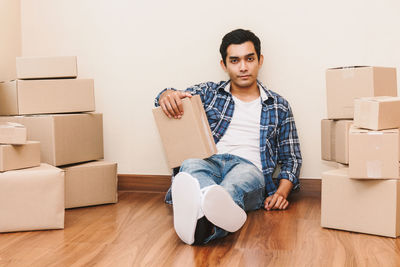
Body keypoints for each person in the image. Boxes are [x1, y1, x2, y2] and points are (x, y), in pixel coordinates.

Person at [154, 29, 302, 245]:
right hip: (209, 160)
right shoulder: (208, 93)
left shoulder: (279, 105)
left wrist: (282, 193)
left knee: (230, 188)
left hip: (249, 167)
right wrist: (167, 96)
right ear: (224, 65)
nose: (243, 67)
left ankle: (198, 222)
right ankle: (207, 221)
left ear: (259, 61)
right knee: (191, 167)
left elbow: (292, 158)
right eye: (235, 60)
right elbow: (167, 95)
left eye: (249, 59)